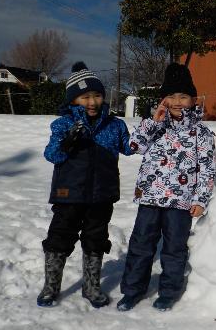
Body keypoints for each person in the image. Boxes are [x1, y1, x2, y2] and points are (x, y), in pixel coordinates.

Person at [117, 63, 216, 312]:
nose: (177, 102)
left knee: (174, 248)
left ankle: (169, 292)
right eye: (171, 96)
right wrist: (153, 121)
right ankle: (132, 290)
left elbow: (206, 170)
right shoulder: (155, 126)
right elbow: (133, 146)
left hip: (180, 202)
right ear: (163, 99)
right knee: (141, 245)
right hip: (149, 198)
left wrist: (200, 199)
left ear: (193, 100)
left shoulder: (202, 134)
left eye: (183, 96)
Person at [38, 62, 133, 308]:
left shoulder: (115, 125)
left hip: (102, 195)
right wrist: (68, 142)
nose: (92, 102)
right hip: (68, 194)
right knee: (59, 237)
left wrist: (154, 125)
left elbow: (132, 147)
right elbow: (52, 155)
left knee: (96, 239)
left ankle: (91, 287)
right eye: (85, 97)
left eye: (97, 95)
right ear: (73, 100)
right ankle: (51, 286)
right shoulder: (62, 125)